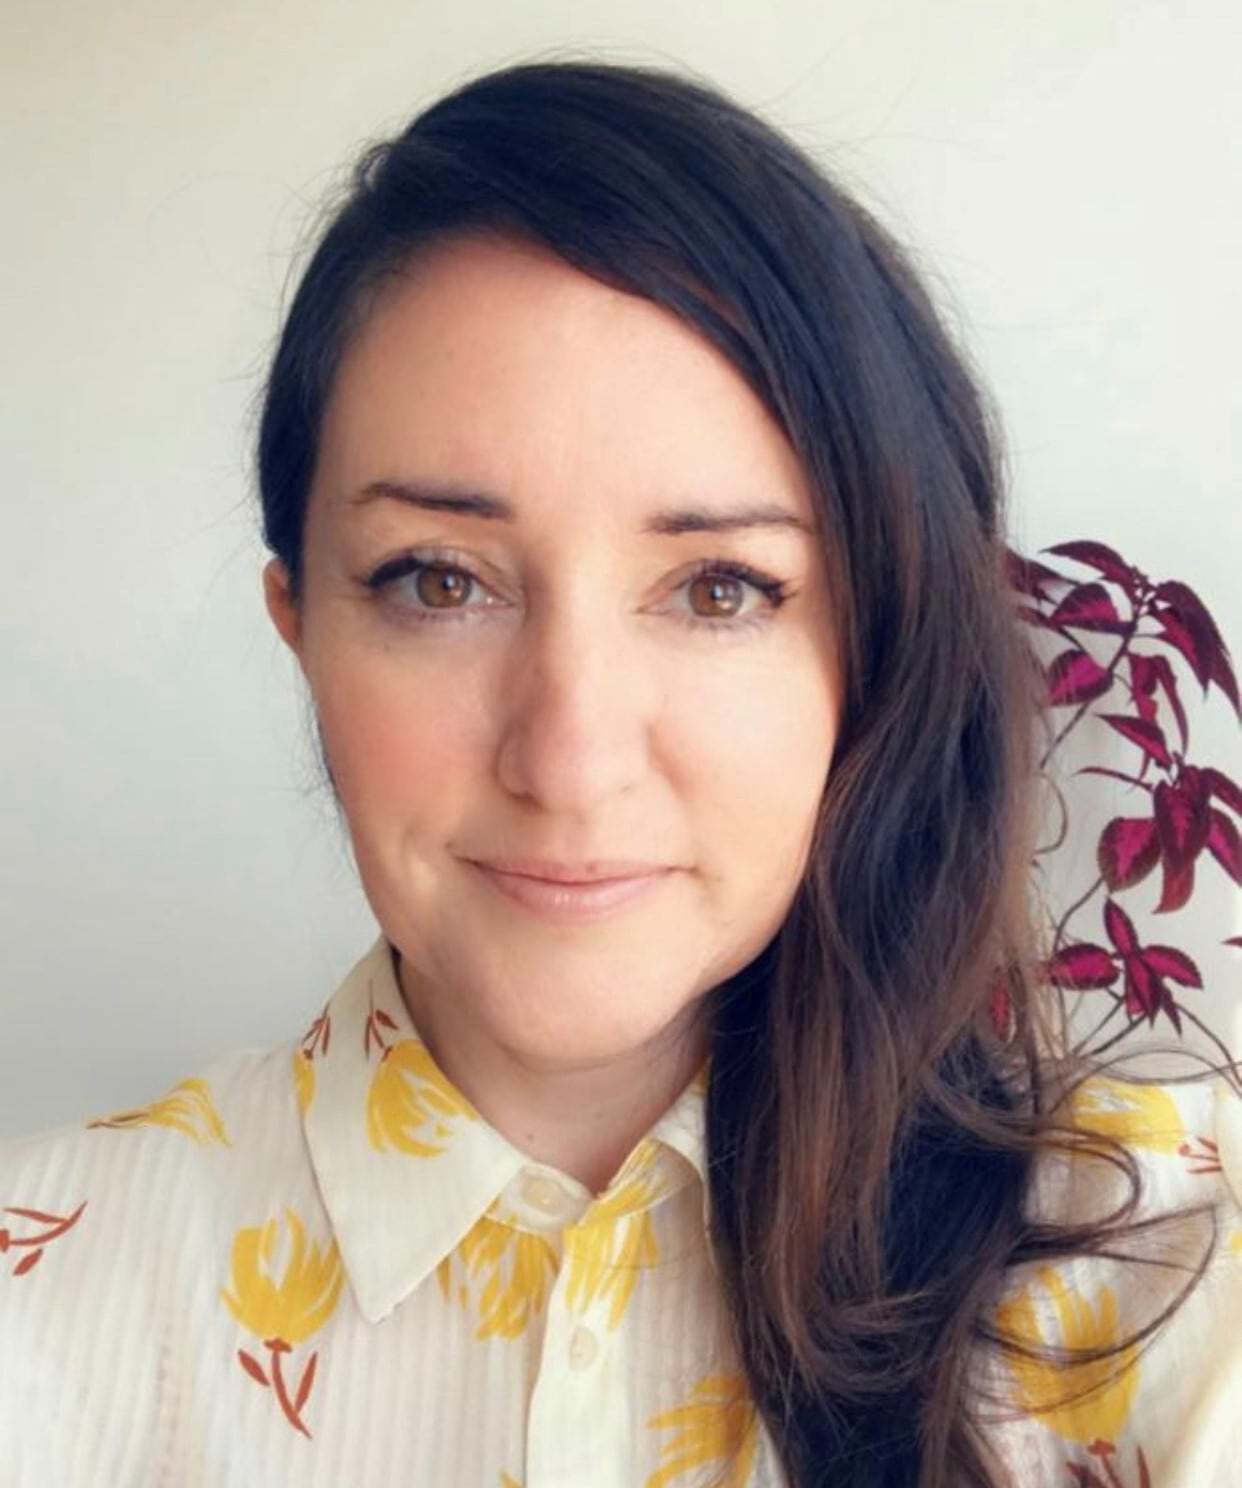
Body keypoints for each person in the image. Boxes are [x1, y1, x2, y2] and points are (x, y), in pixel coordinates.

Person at [1, 58, 1239, 1488]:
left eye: (719, 588)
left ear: (875, 647)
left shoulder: (1178, 1274)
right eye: (438, 580)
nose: (571, 759)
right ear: (302, 626)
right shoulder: (47, 1286)